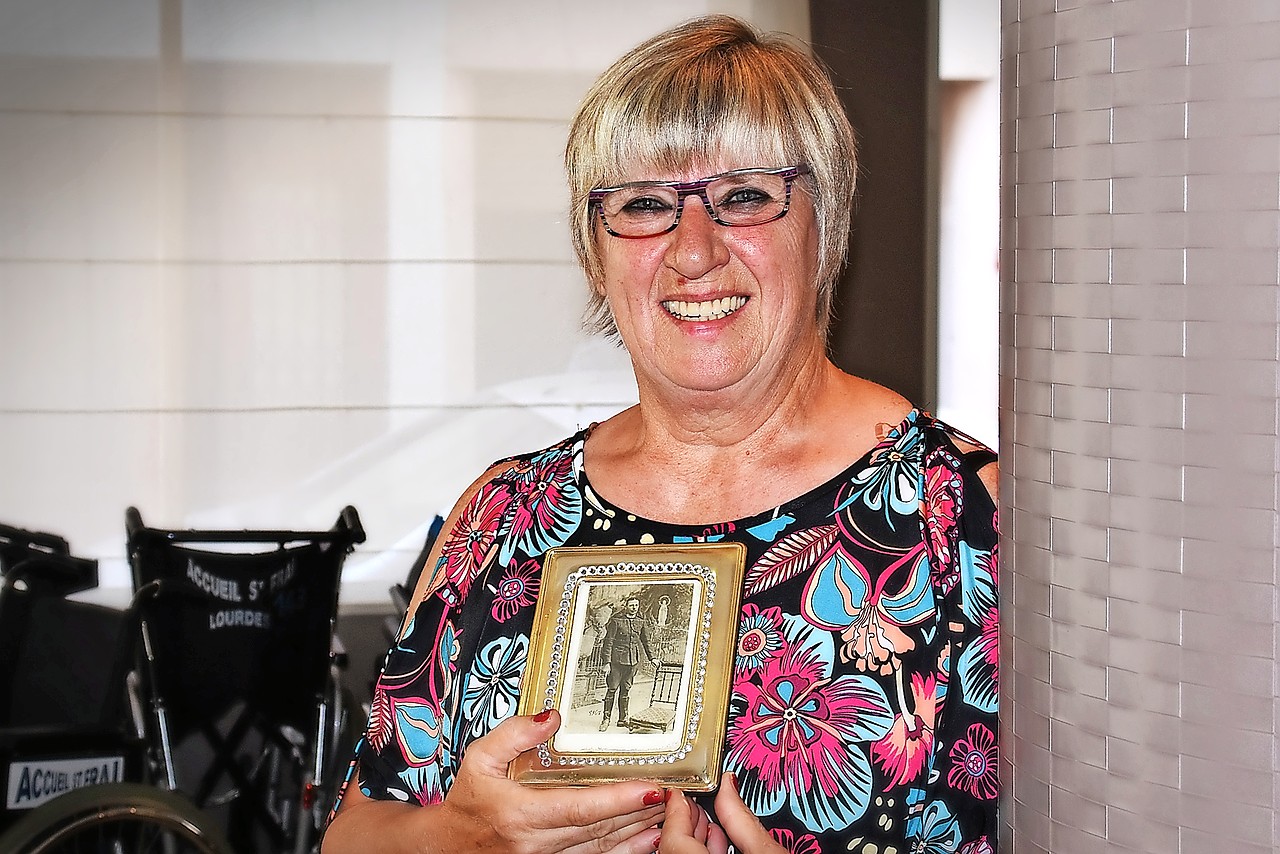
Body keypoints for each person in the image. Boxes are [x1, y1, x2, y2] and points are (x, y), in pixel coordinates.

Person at [324, 13, 998, 854]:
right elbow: (354, 832)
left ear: (823, 225)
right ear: (593, 249)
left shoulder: (963, 517)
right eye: (643, 204)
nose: (692, 250)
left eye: (744, 196)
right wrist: (463, 838)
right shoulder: (501, 518)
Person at [598, 595, 659, 731]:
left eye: (636, 605)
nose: (634, 608)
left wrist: (652, 658)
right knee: (612, 689)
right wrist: (606, 663)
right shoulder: (616, 621)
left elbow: (646, 641)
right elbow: (608, 642)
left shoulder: (640, 622)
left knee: (625, 690)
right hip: (616, 662)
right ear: (626, 606)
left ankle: (622, 719)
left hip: (633, 662)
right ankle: (606, 719)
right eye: (631, 605)